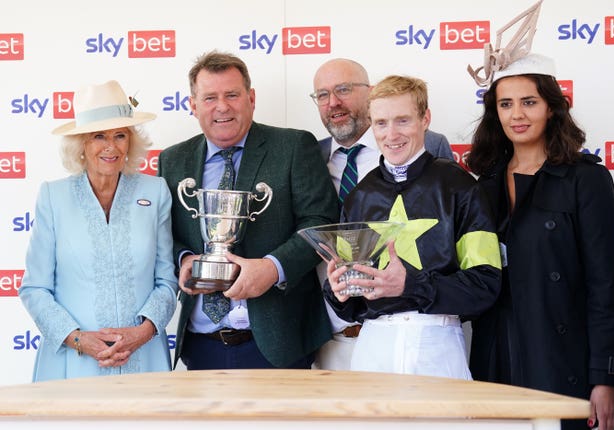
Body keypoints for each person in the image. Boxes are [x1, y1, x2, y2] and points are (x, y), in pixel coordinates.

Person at [466, 50, 614, 430]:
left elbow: (605, 286)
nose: (517, 115)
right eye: (506, 104)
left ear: (551, 107)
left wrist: (604, 378)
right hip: (500, 359)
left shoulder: (586, 180)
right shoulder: (484, 185)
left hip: (567, 361)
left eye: (529, 102)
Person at [157, 50, 338, 370]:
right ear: (193, 105)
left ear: (251, 98)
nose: (222, 106)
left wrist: (272, 268)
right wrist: (185, 260)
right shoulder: (173, 160)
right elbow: (161, 234)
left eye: (232, 94)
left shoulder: (293, 146)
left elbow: (321, 221)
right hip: (201, 344)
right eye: (210, 97)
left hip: (278, 342)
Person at [322, 75, 501, 378]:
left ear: (425, 119)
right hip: (372, 346)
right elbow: (350, 295)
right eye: (380, 123)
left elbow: (486, 285)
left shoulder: (461, 186)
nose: (391, 134)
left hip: (437, 345)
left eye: (402, 120)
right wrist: (336, 291)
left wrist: (411, 285)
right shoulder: (359, 195)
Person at [19, 80, 178, 381]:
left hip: (144, 357)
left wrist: (142, 333)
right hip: (72, 361)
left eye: (120, 135)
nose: (111, 146)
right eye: (98, 136)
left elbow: (166, 280)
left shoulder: (155, 191)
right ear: (81, 144)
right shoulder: (53, 197)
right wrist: (79, 340)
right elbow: (35, 288)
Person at [310, 58, 456, 370]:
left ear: (370, 93)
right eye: (322, 95)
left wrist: (413, 286)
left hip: (426, 335)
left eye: (344, 89)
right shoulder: (310, 156)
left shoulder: (433, 150)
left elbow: (450, 247)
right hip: (334, 335)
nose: (333, 102)